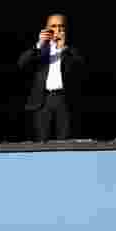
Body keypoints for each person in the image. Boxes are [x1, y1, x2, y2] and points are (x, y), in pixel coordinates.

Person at [17, 13, 87, 142]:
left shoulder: (72, 50)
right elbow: (22, 64)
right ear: (47, 28)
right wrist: (39, 44)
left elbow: (81, 70)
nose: (58, 30)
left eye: (61, 26)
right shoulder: (40, 49)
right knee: (41, 142)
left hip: (64, 100)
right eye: (53, 26)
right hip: (42, 101)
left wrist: (63, 48)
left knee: (64, 141)